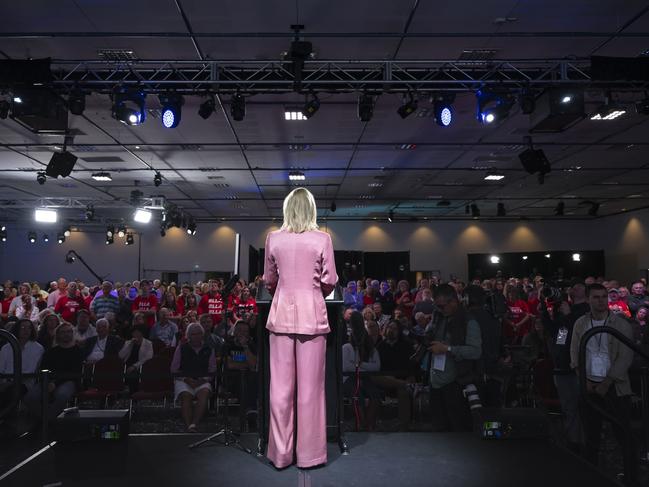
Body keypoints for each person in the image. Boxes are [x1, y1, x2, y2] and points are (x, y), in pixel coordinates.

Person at [263, 187, 338, 469]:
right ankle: (309, 456)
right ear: (311, 209)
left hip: (280, 317)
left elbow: (269, 280)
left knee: (280, 390)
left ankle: (281, 455)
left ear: (286, 209)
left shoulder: (273, 239)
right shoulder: (323, 239)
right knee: (310, 391)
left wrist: (283, 289)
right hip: (312, 318)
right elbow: (329, 280)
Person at [570, 283, 637, 485]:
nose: (601, 301)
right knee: (591, 437)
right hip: (588, 385)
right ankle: (591, 477)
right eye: (596, 297)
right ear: (588, 299)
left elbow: (625, 357)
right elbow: (574, 353)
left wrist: (607, 382)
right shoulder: (580, 324)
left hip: (615, 388)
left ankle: (632, 478)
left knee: (623, 435)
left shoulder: (621, 324)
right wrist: (584, 379)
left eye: (603, 296)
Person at [425, 284, 482, 432]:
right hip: (436, 382)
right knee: (439, 429)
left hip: (456, 384)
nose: (439, 309)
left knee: (458, 430)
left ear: (453, 302)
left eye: (442, 306)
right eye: (436, 305)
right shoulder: (439, 317)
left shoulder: (468, 321)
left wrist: (447, 349)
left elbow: (475, 351)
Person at [24, 322, 84, 420]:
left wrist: (55, 383)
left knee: (61, 395)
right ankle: (45, 417)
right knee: (30, 397)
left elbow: (74, 372)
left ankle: (48, 420)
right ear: (58, 334)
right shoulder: (50, 352)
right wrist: (48, 382)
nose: (66, 334)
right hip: (48, 380)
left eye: (69, 331)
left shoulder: (78, 351)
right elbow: (43, 368)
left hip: (69, 381)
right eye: (63, 332)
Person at [170, 323, 217, 432]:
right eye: (194, 334)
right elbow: (174, 368)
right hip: (184, 379)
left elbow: (212, 369)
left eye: (199, 334)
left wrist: (202, 380)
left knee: (204, 393)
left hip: (203, 379)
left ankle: (194, 424)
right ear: (188, 336)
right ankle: (188, 424)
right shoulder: (181, 348)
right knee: (186, 396)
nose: (197, 336)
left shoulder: (209, 349)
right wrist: (186, 379)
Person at [342, 311, 382, 431]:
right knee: (356, 395)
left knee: (375, 395)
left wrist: (360, 364)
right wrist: (360, 367)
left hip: (365, 378)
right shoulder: (347, 347)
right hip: (349, 379)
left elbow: (376, 366)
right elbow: (346, 367)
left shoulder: (370, 348)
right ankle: (361, 423)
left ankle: (369, 423)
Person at [0, 319, 44, 409]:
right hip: (4, 380)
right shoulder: (6, 347)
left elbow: (31, 371)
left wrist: (10, 383)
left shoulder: (38, 348)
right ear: (17, 329)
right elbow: (1, 368)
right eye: (23, 327)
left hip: (24, 383)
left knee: (10, 393)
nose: (26, 330)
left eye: (29, 328)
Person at [119, 325, 153, 393]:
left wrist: (134, 366)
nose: (135, 334)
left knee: (133, 375)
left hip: (140, 366)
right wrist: (130, 344)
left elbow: (148, 358)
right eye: (134, 333)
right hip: (126, 364)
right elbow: (121, 356)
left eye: (138, 332)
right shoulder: (128, 343)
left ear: (142, 333)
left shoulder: (148, 343)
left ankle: (133, 395)